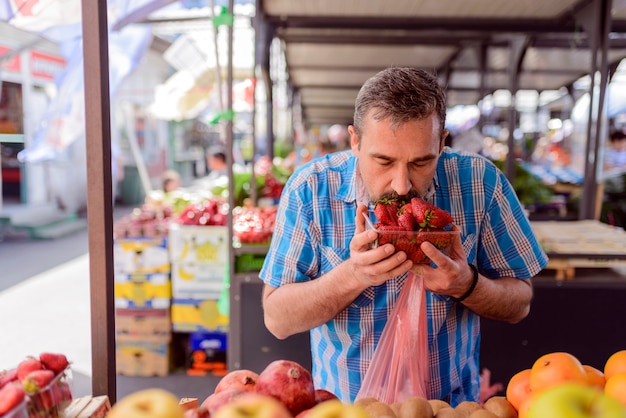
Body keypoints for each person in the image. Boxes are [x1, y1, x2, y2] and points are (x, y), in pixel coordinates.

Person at [259, 67, 548, 406]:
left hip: (449, 410)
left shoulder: (481, 183)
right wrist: (352, 275)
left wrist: (466, 284)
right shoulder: (310, 189)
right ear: (355, 141)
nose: (401, 184)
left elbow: (520, 303)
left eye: (421, 162)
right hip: (345, 411)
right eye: (383, 161)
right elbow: (277, 318)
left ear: (442, 143)